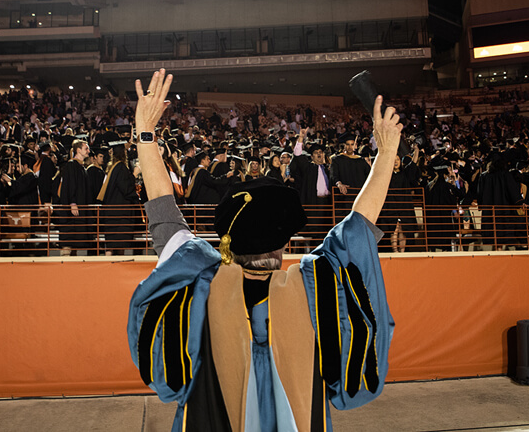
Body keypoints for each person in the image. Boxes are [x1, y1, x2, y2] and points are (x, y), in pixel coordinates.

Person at [127, 69, 398, 431]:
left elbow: (163, 211)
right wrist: (386, 153)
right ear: (284, 242)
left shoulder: (198, 280)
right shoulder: (315, 288)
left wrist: (145, 133)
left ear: (228, 242)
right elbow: (358, 227)